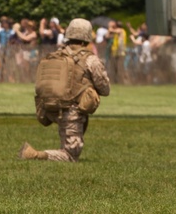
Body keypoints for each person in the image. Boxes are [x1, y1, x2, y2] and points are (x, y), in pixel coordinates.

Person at [19, 18, 110, 162]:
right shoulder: (90, 59)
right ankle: (34, 154)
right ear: (86, 37)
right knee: (71, 155)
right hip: (71, 111)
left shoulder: (55, 55)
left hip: (47, 108)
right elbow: (105, 89)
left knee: (73, 134)